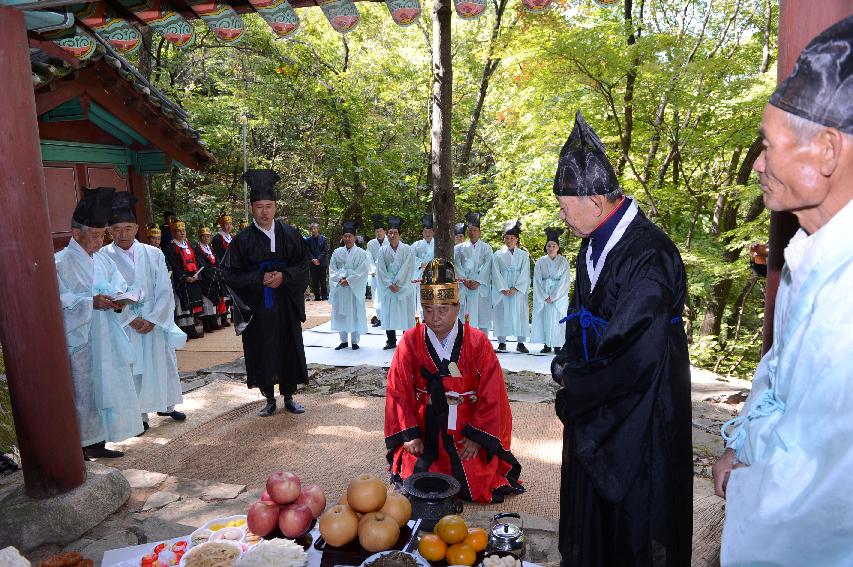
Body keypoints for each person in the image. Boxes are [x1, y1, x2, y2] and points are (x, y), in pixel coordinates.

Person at [712, 16, 853, 565]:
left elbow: (817, 479)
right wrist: (740, 442)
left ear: (825, 151)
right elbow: (778, 372)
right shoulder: (809, 257)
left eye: (768, 148)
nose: (758, 166)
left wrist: (752, 472)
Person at [551, 111, 692, 566]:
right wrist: (568, 363)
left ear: (593, 200)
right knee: (591, 518)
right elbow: (580, 319)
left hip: (641, 406)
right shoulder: (592, 243)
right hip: (600, 398)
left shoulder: (649, 253)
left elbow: (634, 352)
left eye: (562, 203)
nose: (561, 213)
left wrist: (577, 386)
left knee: (635, 518)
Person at [384, 258, 524, 503]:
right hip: (425, 426)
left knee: (474, 480)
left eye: (443, 310)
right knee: (414, 478)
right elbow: (398, 390)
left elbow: (493, 394)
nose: (435, 317)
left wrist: (477, 437)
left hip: (466, 425)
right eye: (428, 310)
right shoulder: (410, 340)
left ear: (457, 307)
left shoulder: (477, 342)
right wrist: (410, 434)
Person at [54, 187, 143, 459]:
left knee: (107, 387)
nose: (99, 241)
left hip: (106, 335)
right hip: (81, 340)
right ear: (76, 234)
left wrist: (119, 300)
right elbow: (57, 299)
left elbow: (120, 286)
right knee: (83, 391)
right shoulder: (59, 263)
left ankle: (99, 441)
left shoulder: (101, 261)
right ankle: (81, 445)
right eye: (94, 235)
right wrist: (90, 302)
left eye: (101, 235)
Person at [221, 169, 310, 417]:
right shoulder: (242, 240)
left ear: (276, 206)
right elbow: (229, 272)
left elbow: (303, 266)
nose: (264, 211)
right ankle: (269, 397)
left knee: (288, 345)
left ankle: (289, 396)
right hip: (258, 307)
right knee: (262, 348)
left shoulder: (290, 234)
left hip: (285, 304)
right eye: (259, 206)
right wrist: (258, 278)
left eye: (268, 206)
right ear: (251, 207)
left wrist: (285, 277)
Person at [100, 192, 187, 434]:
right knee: (133, 367)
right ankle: (139, 416)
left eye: (128, 227)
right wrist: (130, 318)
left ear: (137, 228)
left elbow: (164, 290)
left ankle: (167, 405)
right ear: (109, 230)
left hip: (153, 320)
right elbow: (106, 290)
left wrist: (152, 319)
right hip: (125, 323)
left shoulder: (153, 253)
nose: (123, 233)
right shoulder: (103, 257)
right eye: (116, 229)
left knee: (162, 363)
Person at [375, 216, 416, 350]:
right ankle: (391, 340)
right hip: (389, 287)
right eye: (390, 233)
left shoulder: (408, 249)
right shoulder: (383, 250)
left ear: (400, 234)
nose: (392, 235)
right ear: (387, 234)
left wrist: (398, 283)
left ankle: (407, 340)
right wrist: (389, 284)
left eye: (395, 233)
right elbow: (380, 269)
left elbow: (408, 268)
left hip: (403, 286)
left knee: (405, 312)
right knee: (388, 313)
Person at [329, 220, 369, 350]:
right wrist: (340, 279)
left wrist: (350, 280)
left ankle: (355, 341)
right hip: (341, 287)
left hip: (353, 289)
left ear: (355, 237)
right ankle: (343, 340)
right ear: (342, 237)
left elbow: (363, 271)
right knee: (341, 313)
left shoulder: (362, 253)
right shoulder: (337, 252)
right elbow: (332, 269)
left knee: (355, 311)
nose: (347, 239)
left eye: (350, 236)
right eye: (345, 236)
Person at [491, 221, 530, 353]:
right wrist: (503, 288)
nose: (509, 240)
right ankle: (502, 342)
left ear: (517, 239)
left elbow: (525, 273)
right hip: (503, 288)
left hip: (517, 289)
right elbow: (495, 272)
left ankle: (521, 342)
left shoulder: (523, 255)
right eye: (507, 238)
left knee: (521, 314)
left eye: (512, 238)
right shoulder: (497, 254)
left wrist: (516, 288)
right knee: (501, 313)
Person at [530, 227, 570, 354]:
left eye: (553, 245)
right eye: (548, 245)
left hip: (559, 297)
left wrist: (554, 296)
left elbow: (564, 281)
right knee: (546, 319)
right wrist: (545, 296)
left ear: (558, 247)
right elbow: (537, 280)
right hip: (544, 296)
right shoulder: (540, 262)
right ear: (545, 247)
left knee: (558, 320)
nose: (551, 248)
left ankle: (558, 345)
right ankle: (546, 344)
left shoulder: (564, 262)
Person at [163, 219, 204, 339]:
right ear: (174, 233)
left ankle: (191, 328)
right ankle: (184, 330)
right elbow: (174, 266)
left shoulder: (189, 245)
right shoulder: (170, 247)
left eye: (183, 231)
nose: (182, 233)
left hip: (193, 278)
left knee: (191, 304)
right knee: (182, 305)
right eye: (179, 231)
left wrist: (196, 275)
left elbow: (196, 260)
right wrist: (185, 277)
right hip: (180, 280)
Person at [454, 212, 493, 334]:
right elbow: (457, 265)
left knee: (482, 314)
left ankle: (483, 341)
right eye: (470, 230)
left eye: (475, 230)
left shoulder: (487, 248)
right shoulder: (459, 248)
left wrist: (478, 281)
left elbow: (488, 266)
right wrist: (464, 280)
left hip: (480, 285)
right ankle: (463, 340)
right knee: (464, 313)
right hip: (465, 284)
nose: (472, 233)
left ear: (479, 232)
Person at [194, 227, 229, 333]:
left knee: (213, 300)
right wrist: (212, 270)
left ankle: (214, 322)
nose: (206, 238)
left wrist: (218, 268)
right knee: (206, 301)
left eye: (208, 236)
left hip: (213, 276)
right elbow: (201, 264)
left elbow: (216, 259)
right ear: (200, 237)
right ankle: (207, 324)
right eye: (204, 236)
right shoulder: (197, 249)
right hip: (205, 277)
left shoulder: (210, 247)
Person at [367, 215, 390, 327]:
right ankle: (379, 318)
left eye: (380, 231)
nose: (379, 233)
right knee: (376, 296)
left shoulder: (389, 241)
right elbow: (369, 258)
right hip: (375, 274)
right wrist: (373, 270)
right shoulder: (371, 243)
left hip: (387, 273)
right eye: (377, 231)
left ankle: (389, 318)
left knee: (388, 296)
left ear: (384, 231)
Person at [211, 214, 234, 327]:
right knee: (223, 293)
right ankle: (223, 317)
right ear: (221, 225)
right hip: (224, 268)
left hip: (233, 268)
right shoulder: (217, 238)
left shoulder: (232, 237)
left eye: (230, 224)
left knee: (232, 293)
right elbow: (218, 255)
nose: (229, 226)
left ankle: (233, 315)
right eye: (226, 224)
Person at [411, 214, 435, 312]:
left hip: (434, 274)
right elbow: (411, 257)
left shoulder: (438, 244)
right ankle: (422, 320)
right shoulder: (416, 245)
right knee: (421, 300)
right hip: (421, 275)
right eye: (425, 231)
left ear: (433, 232)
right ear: (422, 232)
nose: (427, 234)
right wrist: (420, 263)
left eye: (429, 231)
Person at [305, 223, 329, 301]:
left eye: (315, 228)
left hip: (322, 263)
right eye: (312, 229)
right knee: (314, 282)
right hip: (312, 264)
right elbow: (307, 251)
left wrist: (318, 259)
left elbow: (325, 251)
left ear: (318, 229)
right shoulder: (308, 240)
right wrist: (313, 259)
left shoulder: (324, 239)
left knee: (323, 281)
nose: (313, 230)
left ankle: (324, 297)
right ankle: (317, 297)